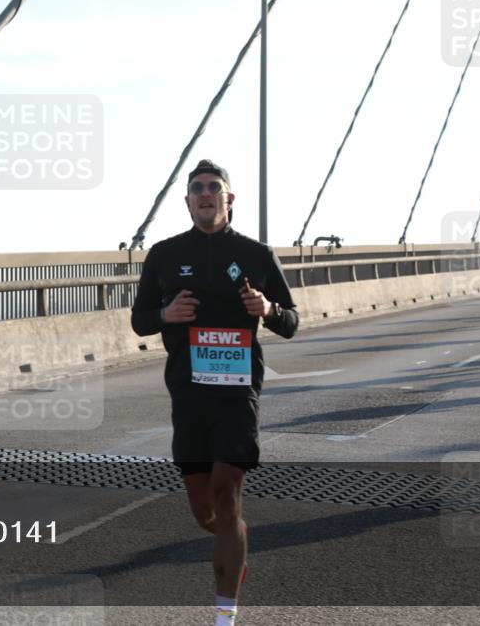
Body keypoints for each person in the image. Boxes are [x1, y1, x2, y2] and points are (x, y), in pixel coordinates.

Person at [131, 160, 299, 626]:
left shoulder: (257, 255)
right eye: (197, 189)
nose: (205, 194)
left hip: (238, 391)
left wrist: (267, 308)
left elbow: (291, 321)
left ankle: (225, 615)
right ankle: (233, 538)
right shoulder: (163, 255)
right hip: (188, 392)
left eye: (214, 188)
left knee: (228, 495)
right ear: (187, 201)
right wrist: (167, 315)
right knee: (205, 510)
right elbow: (139, 319)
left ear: (229, 199)